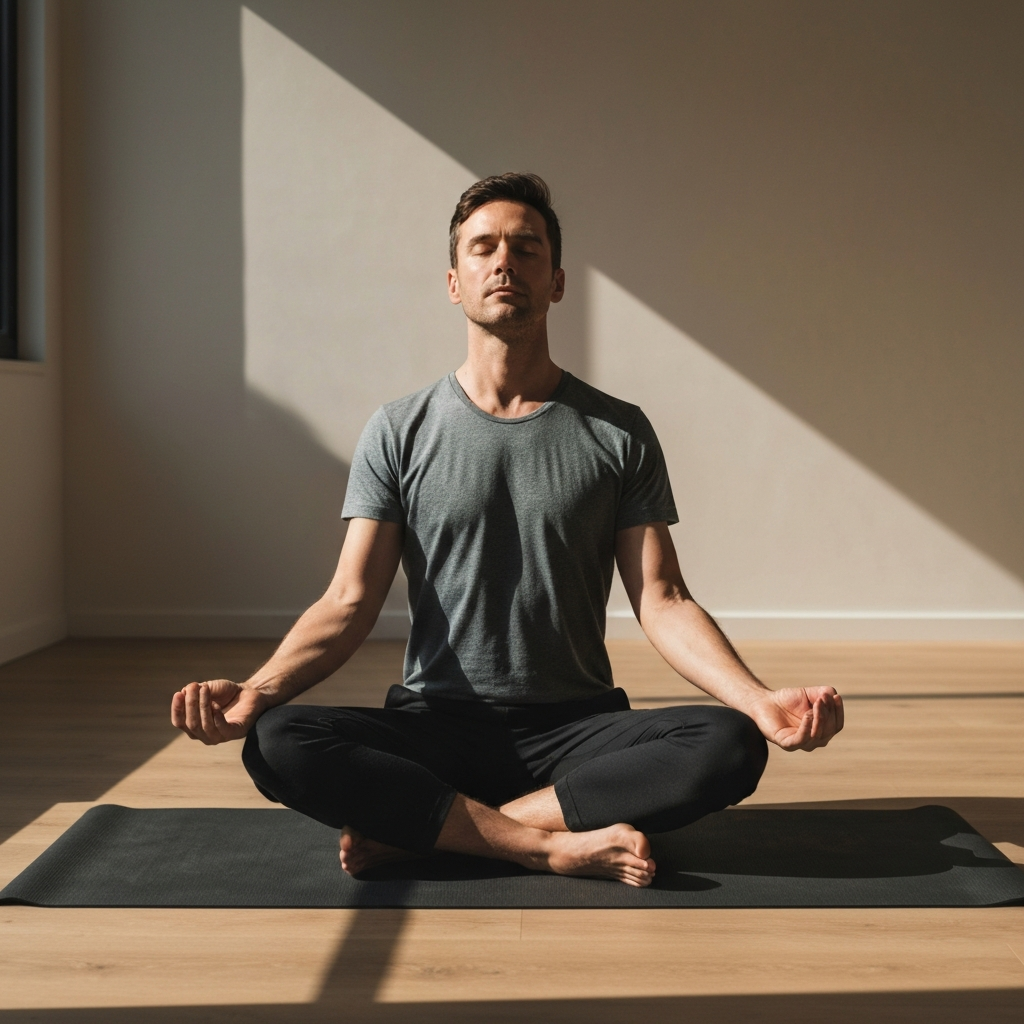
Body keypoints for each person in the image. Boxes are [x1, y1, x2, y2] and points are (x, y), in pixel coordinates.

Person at [171, 173, 843, 888]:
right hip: (435, 725)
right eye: (483, 247)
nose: (504, 263)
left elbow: (662, 598)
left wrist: (757, 698)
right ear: (454, 281)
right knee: (277, 741)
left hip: (575, 730)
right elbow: (348, 602)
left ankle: (440, 833)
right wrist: (260, 689)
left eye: (526, 249)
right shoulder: (399, 430)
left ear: (555, 281)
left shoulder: (618, 431)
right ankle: (544, 845)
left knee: (729, 743)